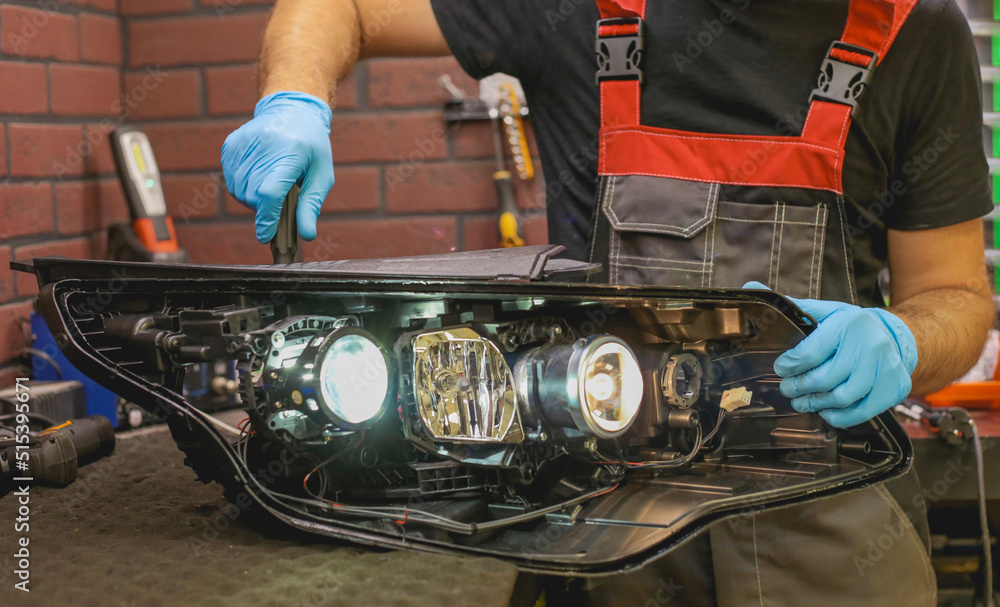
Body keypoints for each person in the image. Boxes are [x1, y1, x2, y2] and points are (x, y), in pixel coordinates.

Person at [222, 1, 997, 605]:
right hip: (607, 543)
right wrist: (293, 97)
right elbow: (345, 10)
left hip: (836, 546)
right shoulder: (584, 11)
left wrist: (901, 339)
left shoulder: (913, 34)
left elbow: (956, 295)